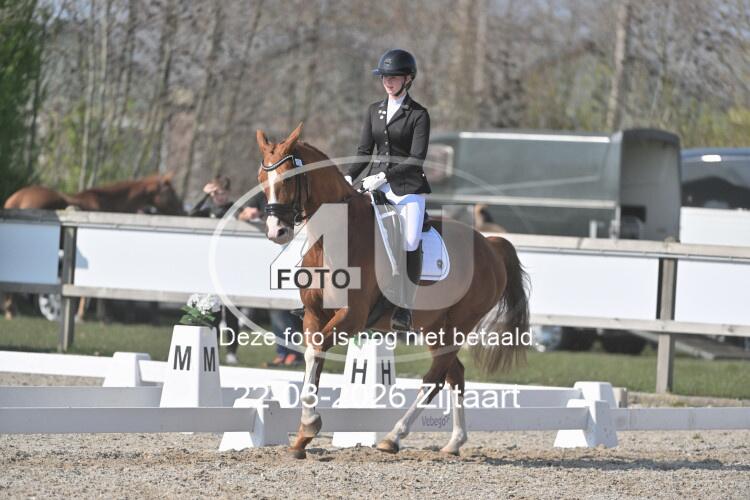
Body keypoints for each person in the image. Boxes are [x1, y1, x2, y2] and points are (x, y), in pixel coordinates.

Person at [345, 49, 431, 332]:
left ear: (408, 79)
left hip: (407, 189)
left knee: (410, 240)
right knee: (345, 225)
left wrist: (384, 175)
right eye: (384, 77)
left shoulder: (418, 114)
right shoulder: (374, 110)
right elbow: (364, 151)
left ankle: (404, 306)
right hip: (374, 186)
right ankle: (326, 292)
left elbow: (416, 158)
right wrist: (348, 176)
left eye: (393, 77)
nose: (388, 81)